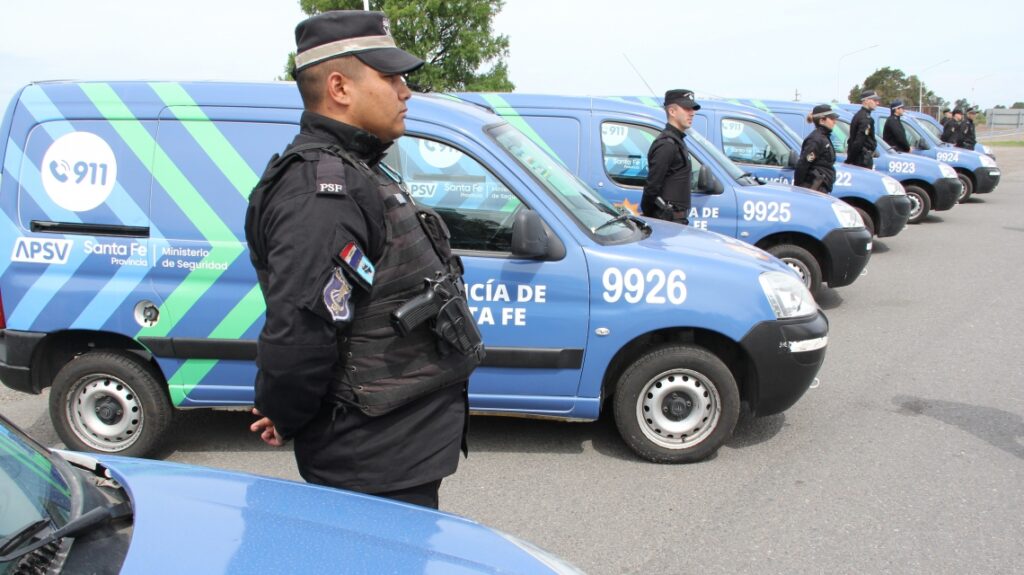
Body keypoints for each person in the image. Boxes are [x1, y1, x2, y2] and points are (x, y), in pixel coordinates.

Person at [243, 10, 484, 510]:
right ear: (340, 87)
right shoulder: (321, 193)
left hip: (395, 449)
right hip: (372, 460)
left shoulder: (359, 170)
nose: (405, 91)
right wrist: (283, 411)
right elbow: (300, 335)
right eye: (390, 77)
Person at [642, 89, 700, 224]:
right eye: (687, 108)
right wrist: (650, 216)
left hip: (675, 220)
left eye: (693, 109)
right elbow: (652, 187)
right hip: (667, 221)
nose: (692, 113)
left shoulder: (677, 141)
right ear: (672, 111)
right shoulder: (667, 144)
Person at [794, 104, 839, 193]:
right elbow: (803, 164)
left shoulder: (824, 137)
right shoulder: (815, 139)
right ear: (822, 120)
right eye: (831, 118)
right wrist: (798, 188)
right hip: (814, 187)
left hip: (821, 187)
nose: (835, 122)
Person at [845, 89, 880, 169]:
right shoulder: (864, 118)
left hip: (861, 158)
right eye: (874, 100)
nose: (877, 103)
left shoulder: (860, 115)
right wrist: (850, 160)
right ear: (866, 101)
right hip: (862, 160)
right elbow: (859, 141)